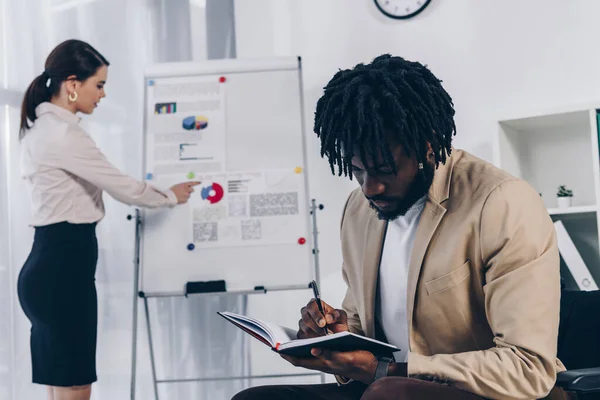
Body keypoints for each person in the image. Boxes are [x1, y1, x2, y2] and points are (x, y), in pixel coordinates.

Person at [233, 54, 567, 400]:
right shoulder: (359, 209)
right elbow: (363, 328)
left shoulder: (501, 203)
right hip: (388, 387)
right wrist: (334, 336)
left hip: (491, 393)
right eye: (357, 170)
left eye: (384, 170)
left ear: (426, 146)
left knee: (388, 394)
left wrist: (385, 372)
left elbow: (527, 367)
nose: (370, 187)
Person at [17, 39, 198, 400]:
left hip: (49, 267)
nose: (102, 95)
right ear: (72, 84)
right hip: (63, 270)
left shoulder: (39, 129)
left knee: (64, 383)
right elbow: (122, 187)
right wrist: (169, 196)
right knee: (76, 383)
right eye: (98, 85)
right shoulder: (63, 134)